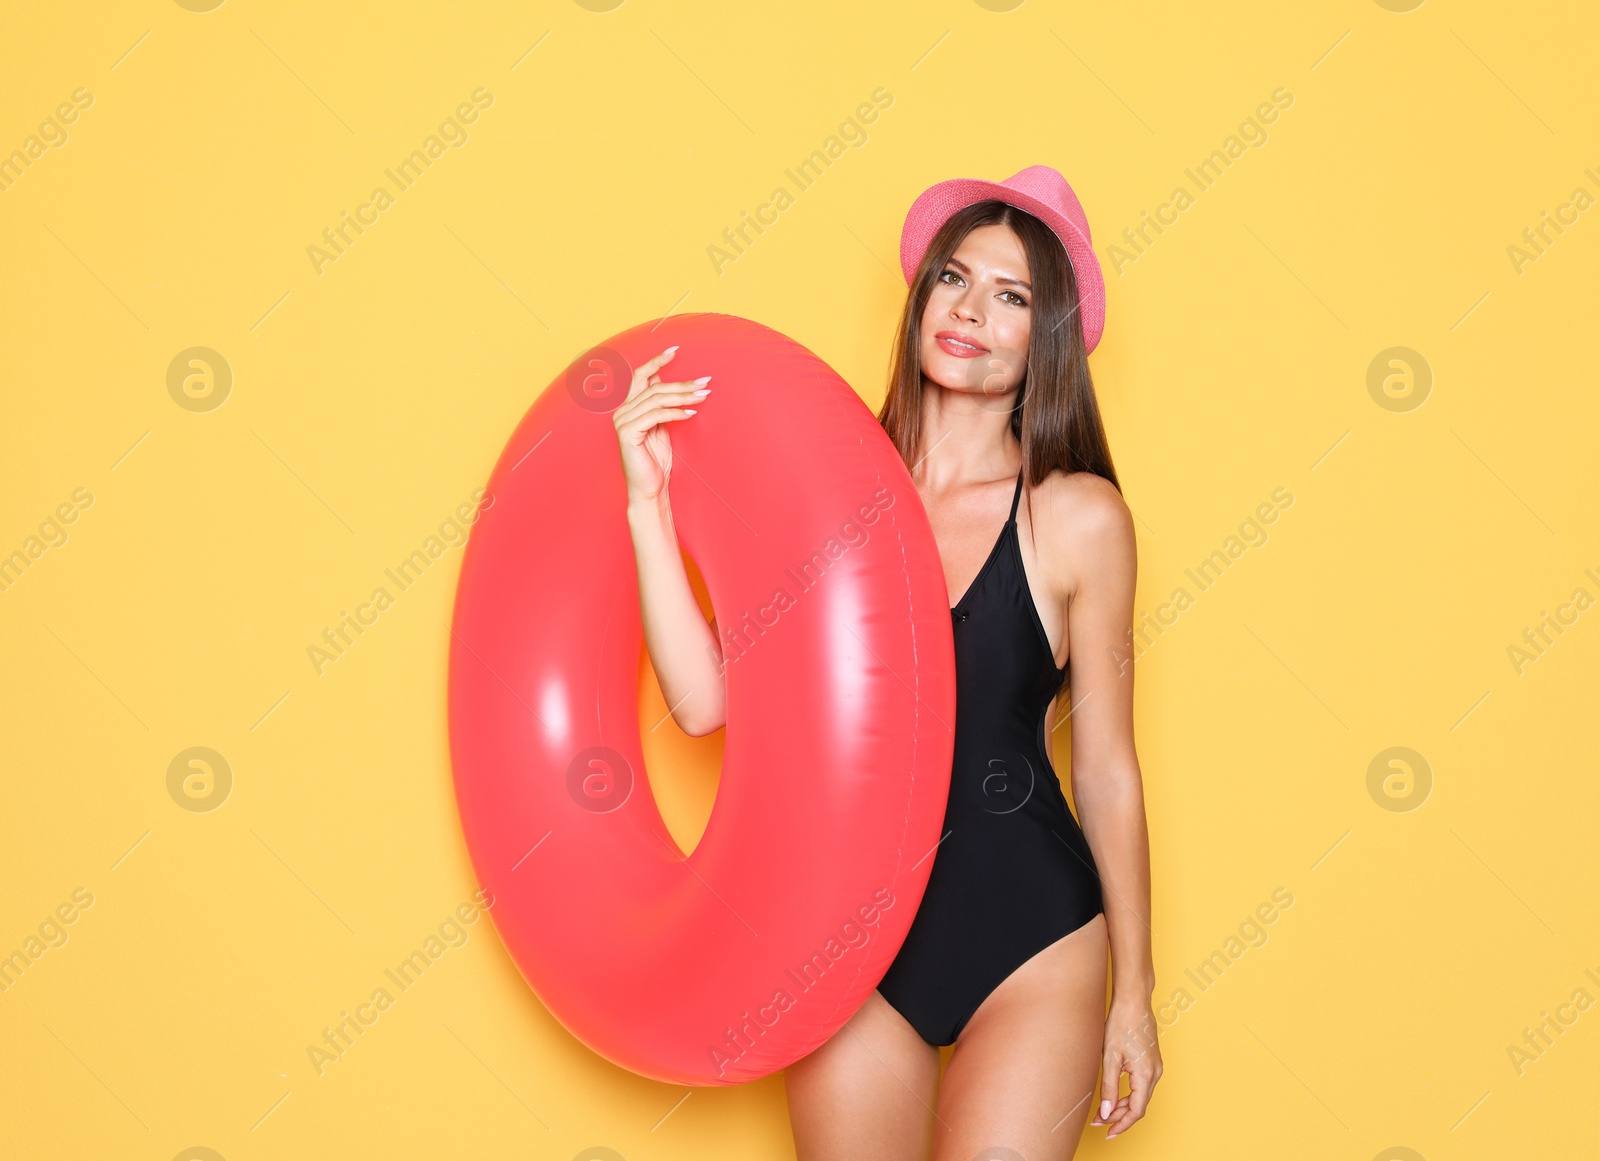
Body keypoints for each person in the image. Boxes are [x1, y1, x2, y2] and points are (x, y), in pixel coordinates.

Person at [612, 165, 1160, 1160]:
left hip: (1032, 939)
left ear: (1045, 338)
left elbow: (1107, 766)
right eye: (954, 279)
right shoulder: (824, 502)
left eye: (1011, 297)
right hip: (843, 945)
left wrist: (1136, 994)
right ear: (920, 299)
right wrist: (648, 509)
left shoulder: (1074, 516)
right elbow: (702, 707)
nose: (970, 311)